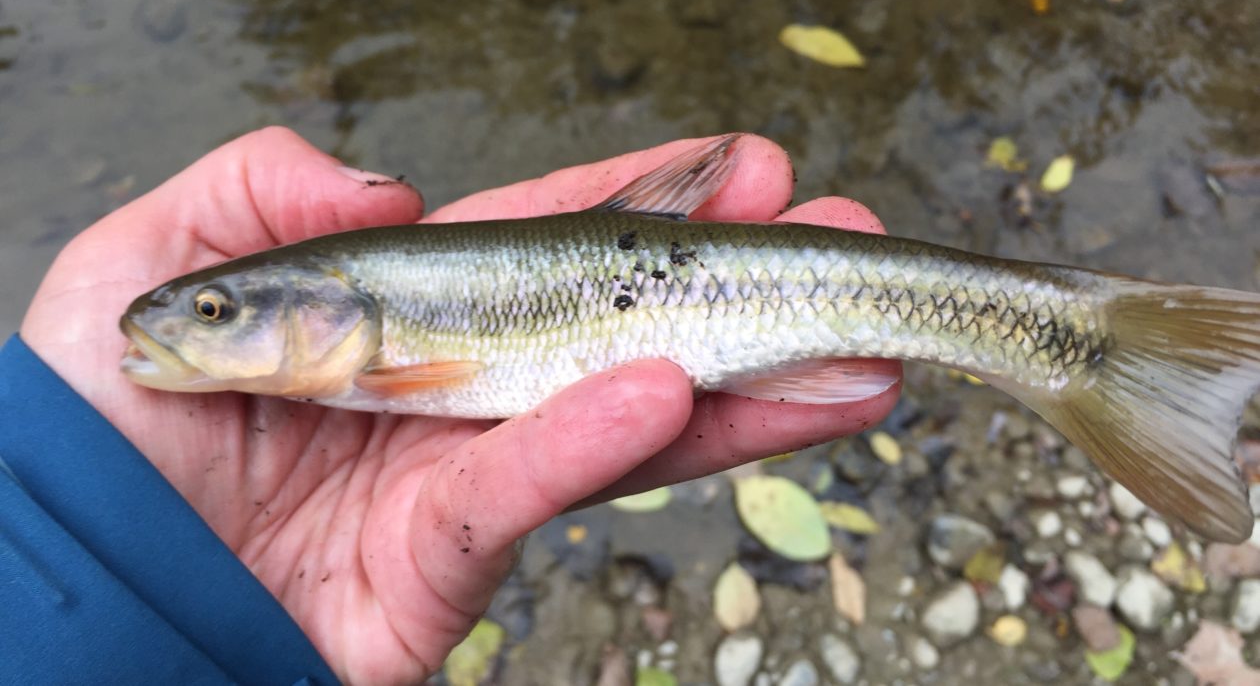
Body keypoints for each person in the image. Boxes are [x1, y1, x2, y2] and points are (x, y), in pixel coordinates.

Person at [2, 127, 900, 684]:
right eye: (211, 311)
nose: (192, 325)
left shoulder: (373, 353)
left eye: (213, 311)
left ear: (324, 304)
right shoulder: (342, 342)